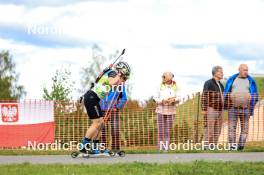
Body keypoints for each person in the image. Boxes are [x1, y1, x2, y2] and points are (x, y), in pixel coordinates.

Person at [80, 61, 131, 154]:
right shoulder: (113, 73)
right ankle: (83, 145)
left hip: (94, 99)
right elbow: (111, 83)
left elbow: (97, 80)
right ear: (121, 71)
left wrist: (105, 71)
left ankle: (95, 147)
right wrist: (118, 75)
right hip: (92, 98)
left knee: (102, 123)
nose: (124, 79)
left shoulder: (111, 72)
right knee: (96, 123)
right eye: (124, 76)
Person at [224, 64, 259, 150]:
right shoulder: (232, 79)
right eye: (244, 70)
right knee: (232, 128)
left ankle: (241, 146)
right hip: (233, 108)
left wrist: (253, 101)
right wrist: (227, 102)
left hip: (246, 109)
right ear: (239, 70)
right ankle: (232, 146)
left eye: (247, 70)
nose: (246, 72)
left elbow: (255, 94)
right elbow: (226, 92)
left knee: (245, 128)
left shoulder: (250, 80)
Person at [100, 76, 127, 152]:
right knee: (102, 131)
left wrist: (118, 107)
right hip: (102, 110)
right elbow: (98, 96)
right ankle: (102, 149)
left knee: (115, 130)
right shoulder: (103, 84)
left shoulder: (120, 85)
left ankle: (115, 149)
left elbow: (124, 98)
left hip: (113, 111)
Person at [154, 72, 179, 150]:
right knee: (160, 130)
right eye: (163, 77)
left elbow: (179, 97)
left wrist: (173, 100)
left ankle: (166, 148)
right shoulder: (159, 86)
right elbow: (155, 98)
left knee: (167, 130)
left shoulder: (175, 86)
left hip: (171, 111)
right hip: (160, 110)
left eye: (164, 77)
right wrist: (162, 100)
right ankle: (160, 148)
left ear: (169, 78)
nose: (163, 78)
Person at [201, 66, 224, 150]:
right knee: (209, 128)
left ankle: (213, 146)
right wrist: (203, 108)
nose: (222, 74)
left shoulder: (221, 85)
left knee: (218, 129)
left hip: (220, 109)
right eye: (221, 72)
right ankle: (205, 146)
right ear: (215, 73)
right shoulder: (208, 83)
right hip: (211, 108)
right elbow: (204, 95)